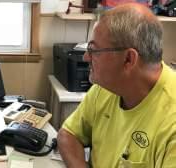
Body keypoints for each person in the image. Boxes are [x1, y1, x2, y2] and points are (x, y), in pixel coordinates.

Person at [57, 3, 176, 168]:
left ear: (128, 59)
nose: (85, 57)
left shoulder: (171, 123)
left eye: (93, 50)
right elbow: (68, 134)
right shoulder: (106, 87)